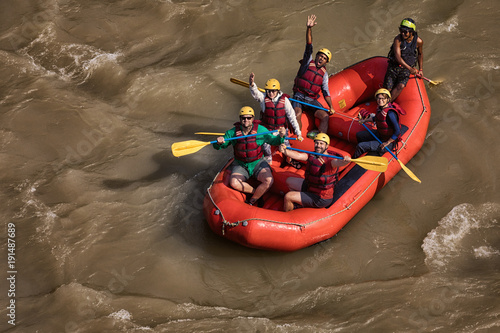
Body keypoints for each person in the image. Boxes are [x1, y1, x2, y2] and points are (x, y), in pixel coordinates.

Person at [213, 106, 286, 205]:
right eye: (243, 118)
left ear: (253, 118)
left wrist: (281, 136)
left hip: (258, 162)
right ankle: (255, 192)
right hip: (240, 164)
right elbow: (220, 146)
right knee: (234, 183)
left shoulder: (261, 130)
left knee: (269, 180)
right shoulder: (232, 133)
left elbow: (274, 141)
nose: (246, 120)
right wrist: (219, 142)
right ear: (240, 119)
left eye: (249, 118)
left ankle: (253, 200)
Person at [279, 133, 350, 212]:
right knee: (289, 181)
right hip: (311, 187)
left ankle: (289, 214)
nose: (318, 145)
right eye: (316, 143)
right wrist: (284, 151)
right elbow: (298, 155)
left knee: (288, 196)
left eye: (321, 143)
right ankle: (301, 202)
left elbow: (339, 162)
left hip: (320, 197)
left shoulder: (330, 161)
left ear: (327, 146)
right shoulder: (313, 155)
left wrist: (345, 161)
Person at [292, 14, 335, 134]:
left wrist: (331, 106)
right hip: (299, 96)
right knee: (297, 114)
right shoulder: (307, 62)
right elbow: (309, 45)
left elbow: (326, 91)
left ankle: (322, 139)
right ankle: (298, 138)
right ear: (316, 56)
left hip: (310, 100)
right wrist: (309, 28)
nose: (321, 59)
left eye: (324, 58)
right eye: (320, 56)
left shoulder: (324, 74)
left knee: (324, 116)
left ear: (326, 62)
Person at [249, 73, 303, 168]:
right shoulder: (263, 99)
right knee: (265, 148)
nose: (271, 93)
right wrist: (252, 84)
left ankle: (289, 159)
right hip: (268, 129)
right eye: (269, 91)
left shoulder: (285, 100)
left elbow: (292, 117)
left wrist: (298, 132)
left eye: (273, 91)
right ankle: (268, 159)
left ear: (277, 91)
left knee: (286, 146)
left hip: (281, 130)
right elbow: (256, 93)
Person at [354, 89, 405, 158]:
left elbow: (397, 131)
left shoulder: (390, 113)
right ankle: (365, 151)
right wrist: (364, 121)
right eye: (378, 98)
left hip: (389, 141)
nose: (380, 100)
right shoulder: (380, 109)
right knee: (359, 135)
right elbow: (376, 118)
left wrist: (387, 142)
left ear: (388, 99)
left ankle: (355, 159)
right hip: (380, 134)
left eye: (383, 98)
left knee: (360, 146)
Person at [383, 18, 424, 102]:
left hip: (405, 68)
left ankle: (387, 103)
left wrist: (420, 69)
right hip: (394, 65)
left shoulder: (419, 41)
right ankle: (383, 101)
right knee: (388, 88)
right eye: (401, 30)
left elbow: (420, 54)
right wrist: (410, 69)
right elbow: (398, 57)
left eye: (405, 31)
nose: (402, 33)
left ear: (412, 32)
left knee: (401, 86)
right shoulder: (398, 39)